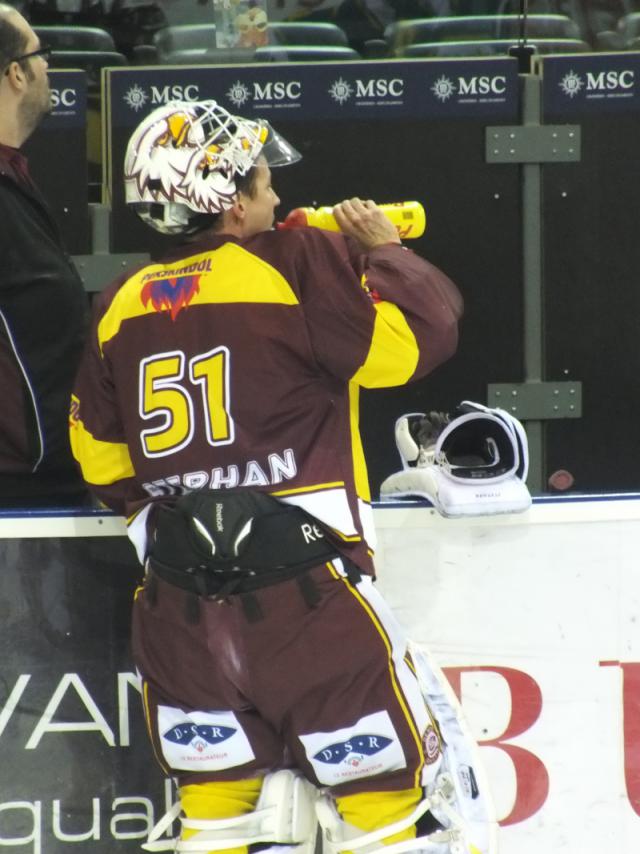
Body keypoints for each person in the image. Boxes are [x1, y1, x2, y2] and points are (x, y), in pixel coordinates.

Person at [70, 101, 489, 854]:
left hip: (179, 611)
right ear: (233, 203)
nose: (278, 196)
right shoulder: (292, 260)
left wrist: (196, 501)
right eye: (264, 183)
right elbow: (411, 344)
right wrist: (385, 252)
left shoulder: (117, 303)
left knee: (216, 819)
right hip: (309, 601)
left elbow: (100, 459)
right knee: (392, 814)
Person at [0, 4, 88, 507]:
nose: (48, 67)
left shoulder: (14, 175)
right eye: (42, 54)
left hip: (51, 480)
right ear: (16, 73)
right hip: (20, 491)